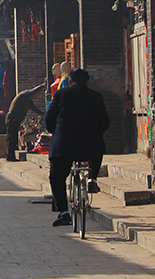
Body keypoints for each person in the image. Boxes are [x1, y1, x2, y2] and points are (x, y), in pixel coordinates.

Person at [45, 67, 110, 226]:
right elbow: (105, 122)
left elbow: (49, 119)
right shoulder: (96, 97)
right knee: (98, 146)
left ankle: (64, 212)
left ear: (70, 81)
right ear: (87, 81)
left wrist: (57, 133)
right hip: (89, 146)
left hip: (63, 146)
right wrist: (96, 134)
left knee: (57, 177)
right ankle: (92, 178)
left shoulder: (60, 95)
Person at [5, 81, 46, 160]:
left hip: (15, 118)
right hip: (13, 117)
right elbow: (33, 90)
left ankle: (11, 155)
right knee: (11, 137)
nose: (37, 96)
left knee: (13, 137)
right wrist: (42, 86)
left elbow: (34, 108)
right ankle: (10, 156)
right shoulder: (25, 94)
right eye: (37, 94)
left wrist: (42, 113)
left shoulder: (28, 100)